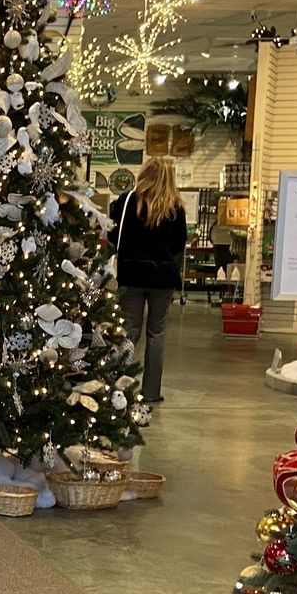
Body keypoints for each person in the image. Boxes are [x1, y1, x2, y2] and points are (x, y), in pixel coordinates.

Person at [114, 157, 187, 407]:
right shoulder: (175, 208)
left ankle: (119, 386)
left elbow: (113, 234)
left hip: (131, 275)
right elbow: (179, 245)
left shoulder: (126, 202)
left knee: (129, 330)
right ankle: (151, 391)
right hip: (162, 278)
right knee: (157, 333)